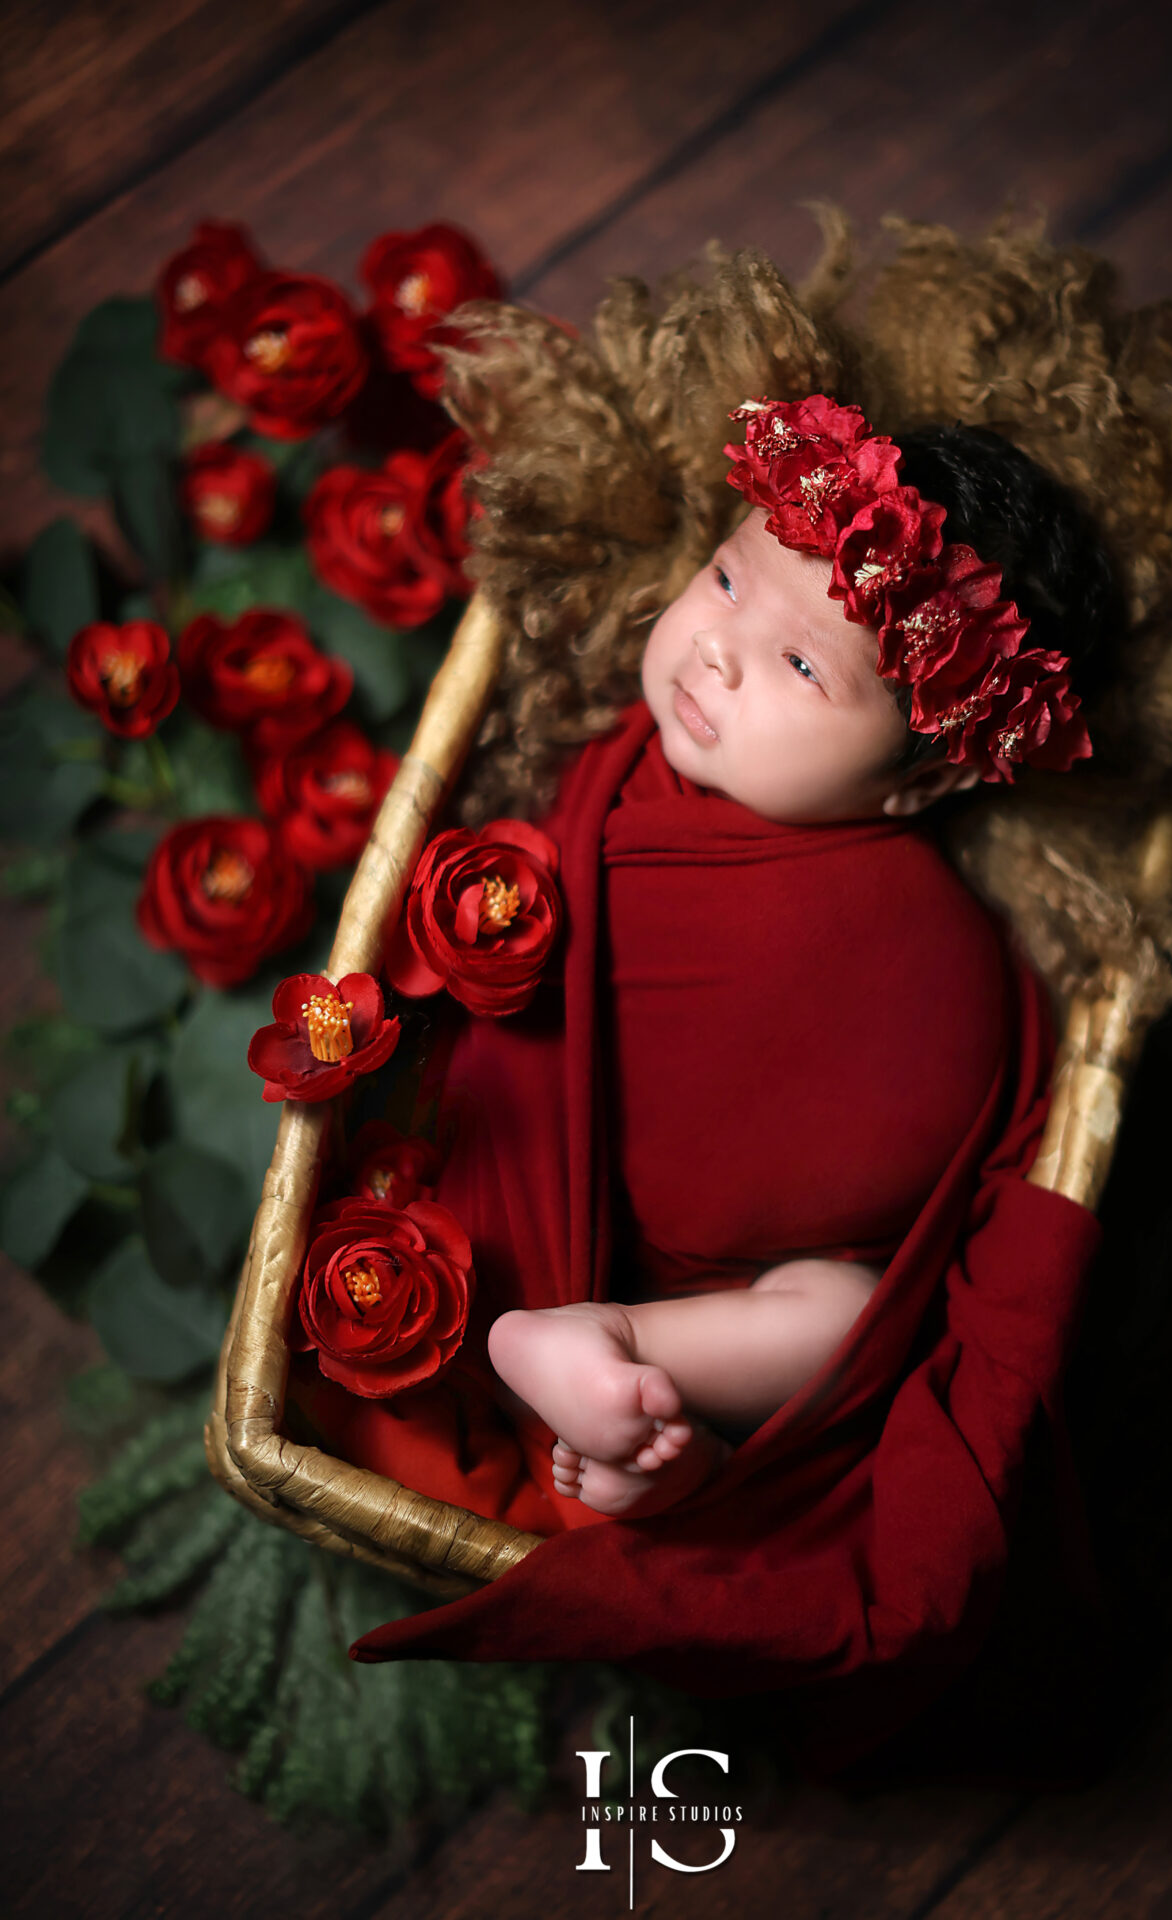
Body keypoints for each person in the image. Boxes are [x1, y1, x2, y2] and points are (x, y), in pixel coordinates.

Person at [472, 396, 1113, 1522]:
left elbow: (955, 1143)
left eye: (803, 668)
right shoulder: (622, 787)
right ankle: (651, 1426)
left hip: (757, 1273)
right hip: (578, 1183)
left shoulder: (922, 918)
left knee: (848, 1318)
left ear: (918, 784)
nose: (714, 649)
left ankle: (623, 1357)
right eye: (725, 580)